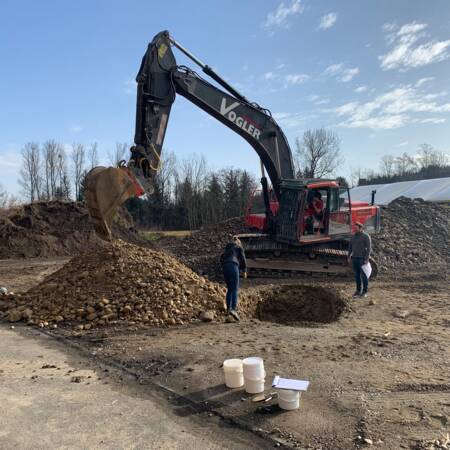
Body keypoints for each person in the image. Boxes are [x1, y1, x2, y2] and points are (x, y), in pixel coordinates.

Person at [220, 236, 247, 321]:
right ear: (238, 242)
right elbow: (242, 259)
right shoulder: (238, 247)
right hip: (233, 265)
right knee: (235, 289)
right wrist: (244, 270)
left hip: (225, 267)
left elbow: (221, 259)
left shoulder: (226, 250)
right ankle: (234, 310)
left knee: (229, 289)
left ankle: (228, 309)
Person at [348, 221, 372, 298]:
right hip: (354, 258)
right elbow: (350, 247)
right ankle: (358, 291)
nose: (354, 229)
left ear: (361, 228)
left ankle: (364, 292)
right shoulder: (353, 236)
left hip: (362, 259)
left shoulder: (366, 236)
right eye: (354, 228)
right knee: (357, 276)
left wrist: (367, 258)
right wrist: (349, 256)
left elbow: (369, 248)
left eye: (356, 228)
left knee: (364, 276)